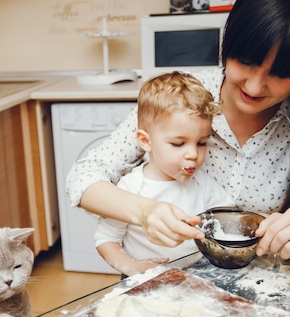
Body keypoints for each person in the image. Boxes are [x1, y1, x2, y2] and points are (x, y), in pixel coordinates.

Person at [66, 0, 290, 263]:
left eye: (281, 72)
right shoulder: (184, 98)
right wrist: (145, 211)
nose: (254, 85)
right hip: (172, 278)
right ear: (228, 42)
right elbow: (82, 177)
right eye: (246, 61)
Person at [94, 72, 234, 276]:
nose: (193, 154)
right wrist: (132, 267)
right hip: (143, 278)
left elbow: (228, 221)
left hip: (196, 277)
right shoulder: (130, 188)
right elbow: (106, 239)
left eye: (201, 143)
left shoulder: (203, 183)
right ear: (145, 141)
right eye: (178, 143)